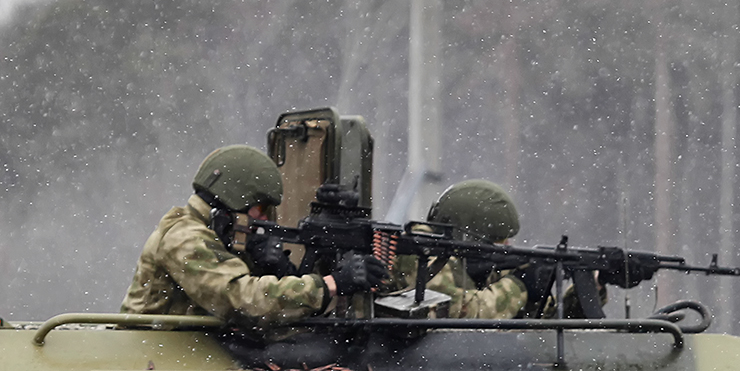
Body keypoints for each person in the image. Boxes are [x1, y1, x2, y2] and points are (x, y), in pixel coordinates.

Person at [120, 145, 386, 327]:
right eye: (259, 209)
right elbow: (241, 300)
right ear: (233, 201)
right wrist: (330, 284)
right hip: (153, 358)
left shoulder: (211, 233)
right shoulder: (184, 237)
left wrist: (275, 266)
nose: (262, 219)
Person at [394, 180, 551, 320]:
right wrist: (520, 286)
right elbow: (465, 313)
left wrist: (546, 293)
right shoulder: (420, 252)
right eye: (497, 241)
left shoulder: (466, 259)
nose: (507, 246)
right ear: (467, 236)